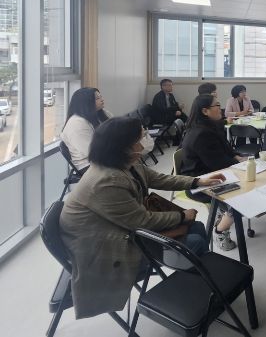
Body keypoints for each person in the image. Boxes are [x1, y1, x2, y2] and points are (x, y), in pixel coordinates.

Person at [59, 117, 224, 319]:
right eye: (140, 138)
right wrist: (181, 215)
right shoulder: (106, 181)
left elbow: (159, 179)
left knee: (196, 227)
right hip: (102, 247)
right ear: (123, 146)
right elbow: (142, 221)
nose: (144, 142)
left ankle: (202, 285)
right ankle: (202, 291)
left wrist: (197, 181)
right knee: (195, 241)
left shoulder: (126, 163)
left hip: (120, 227)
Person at [181, 94, 246, 250]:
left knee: (246, 189)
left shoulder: (211, 126)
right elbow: (218, 163)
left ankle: (223, 217)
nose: (220, 108)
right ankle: (219, 231)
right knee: (241, 200)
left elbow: (226, 150)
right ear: (205, 111)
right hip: (200, 183)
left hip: (214, 174)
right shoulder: (201, 133)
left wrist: (236, 156)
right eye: (217, 105)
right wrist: (240, 162)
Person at [60, 87, 112, 174]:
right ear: (86, 103)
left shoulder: (101, 113)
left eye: (101, 97)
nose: (102, 99)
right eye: (97, 98)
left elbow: (116, 130)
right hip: (87, 165)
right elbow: (92, 152)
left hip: (102, 157)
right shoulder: (76, 123)